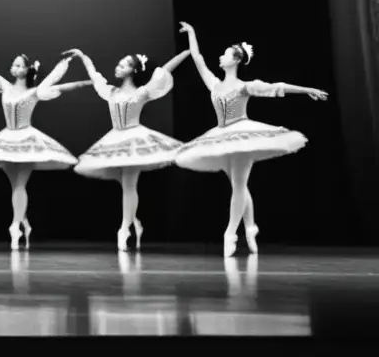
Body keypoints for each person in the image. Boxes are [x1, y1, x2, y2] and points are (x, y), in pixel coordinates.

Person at [174, 22, 328, 256]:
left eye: (225, 54)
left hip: (243, 135)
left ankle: (230, 233)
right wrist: (193, 33)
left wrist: (307, 89)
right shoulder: (214, 84)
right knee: (239, 185)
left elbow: (278, 87)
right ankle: (250, 227)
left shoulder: (245, 86)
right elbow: (197, 58)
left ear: (235, 60)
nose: (221, 56)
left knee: (238, 185)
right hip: (221, 136)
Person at [0, 45, 91, 249]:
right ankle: (24, 223)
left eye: (18, 64)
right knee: (16, 186)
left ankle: (14, 226)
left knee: (20, 185)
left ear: (27, 70)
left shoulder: (35, 92)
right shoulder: (4, 86)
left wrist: (86, 79)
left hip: (27, 141)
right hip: (6, 141)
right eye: (13, 64)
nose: (13, 67)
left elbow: (62, 84)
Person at [64, 46, 191, 250]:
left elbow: (163, 71)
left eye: (123, 64)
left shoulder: (142, 92)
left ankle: (124, 229)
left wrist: (186, 53)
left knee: (129, 185)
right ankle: (134, 223)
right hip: (115, 139)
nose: (117, 66)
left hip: (135, 139)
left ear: (132, 70)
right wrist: (83, 56)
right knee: (124, 183)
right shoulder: (111, 91)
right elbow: (95, 75)